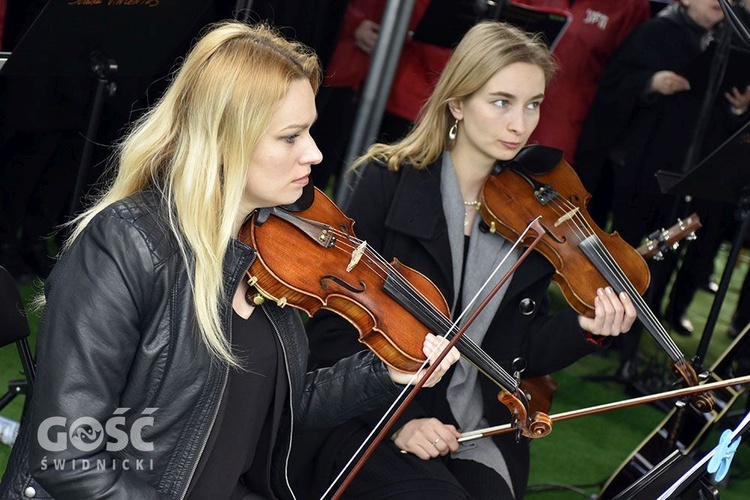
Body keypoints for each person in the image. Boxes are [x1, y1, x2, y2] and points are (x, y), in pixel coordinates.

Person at [0, 21, 461, 499]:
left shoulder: (270, 251)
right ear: (225, 139)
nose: (316, 152)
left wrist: (386, 371)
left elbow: (287, 401)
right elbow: (67, 457)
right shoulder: (126, 243)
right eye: (290, 136)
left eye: (310, 132)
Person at [291, 20, 636, 500]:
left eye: (533, 104)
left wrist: (588, 328)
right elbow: (332, 327)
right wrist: (399, 425)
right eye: (501, 102)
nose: (521, 124)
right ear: (457, 103)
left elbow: (516, 356)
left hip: (475, 428)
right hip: (373, 417)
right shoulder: (387, 183)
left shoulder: (534, 215)